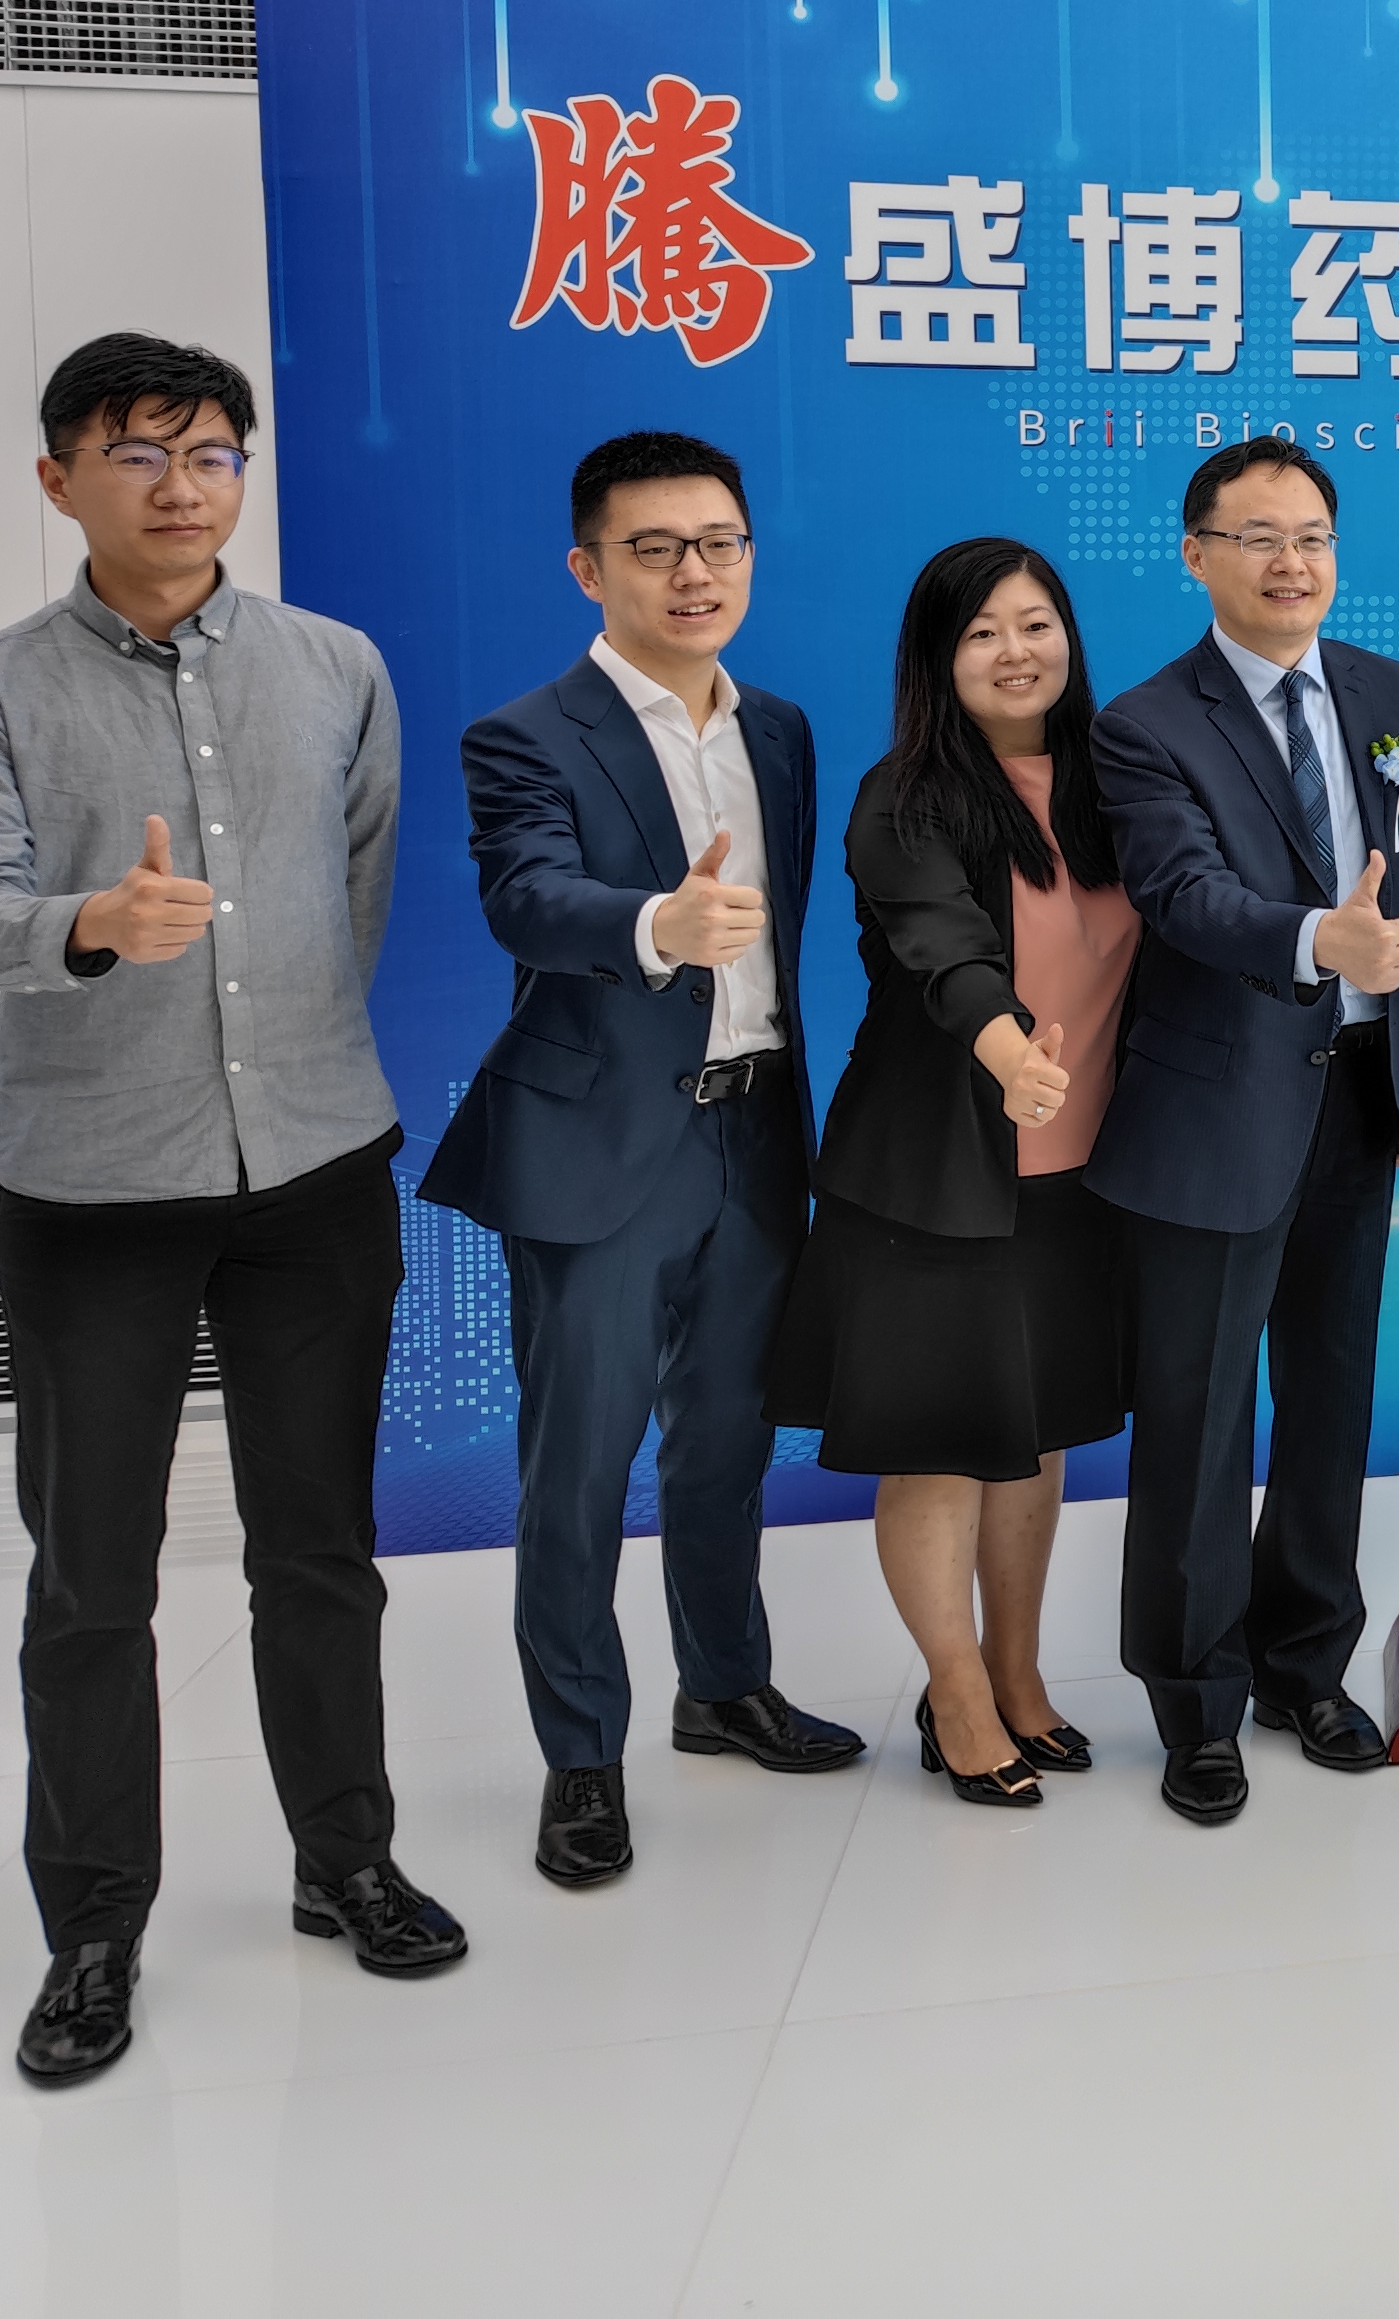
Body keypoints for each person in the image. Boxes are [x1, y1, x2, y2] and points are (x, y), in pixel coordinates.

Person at [0, 333, 461, 2089]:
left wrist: (280, 1043)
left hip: (316, 1165)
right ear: (59, 478)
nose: (179, 483)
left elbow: (357, 889)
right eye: (135, 451)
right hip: (92, 1189)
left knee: (320, 1549)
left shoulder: (337, 666)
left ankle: (345, 1857)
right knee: (92, 1576)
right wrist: (89, 926)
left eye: (211, 452)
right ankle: (92, 1927)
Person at [422, 431, 866, 1891]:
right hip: (600, 1143)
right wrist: (653, 926)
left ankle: (722, 1686)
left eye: (719, 543)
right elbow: (525, 897)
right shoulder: (525, 735)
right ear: (588, 568)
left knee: (727, 1438)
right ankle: (581, 1758)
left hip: (757, 1126)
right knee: (580, 1465)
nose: (694, 573)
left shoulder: (780, 731)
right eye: (656, 548)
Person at [1088, 438, 1399, 1826]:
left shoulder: (1391, 694)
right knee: (1199, 1416)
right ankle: (1196, 1705)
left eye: (1313, 537)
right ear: (1197, 555)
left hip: (1359, 1094)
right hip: (1216, 1107)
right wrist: (1316, 940)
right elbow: (1181, 895)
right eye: (1258, 538)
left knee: (1331, 1400)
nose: (1292, 563)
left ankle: (1307, 1666)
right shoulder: (1144, 725)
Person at [767, 539, 1137, 1806]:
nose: (1015, 652)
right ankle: (958, 1695)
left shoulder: (1111, 779)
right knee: (939, 1447)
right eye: (982, 633)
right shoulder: (906, 797)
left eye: (1036, 624)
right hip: (932, 1176)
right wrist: (1010, 1054)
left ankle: (1019, 1676)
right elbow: (945, 950)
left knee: (1032, 1438)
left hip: (1077, 1174)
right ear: (937, 657)